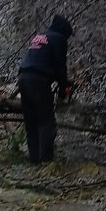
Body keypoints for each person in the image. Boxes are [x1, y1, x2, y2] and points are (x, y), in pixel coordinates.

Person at [17, 13, 73, 163]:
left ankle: (34, 160)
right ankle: (46, 161)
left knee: (31, 122)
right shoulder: (59, 38)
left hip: (23, 78)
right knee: (46, 122)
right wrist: (64, 89)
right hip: (39, 81)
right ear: (64, 32)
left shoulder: (40, 36)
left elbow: (41, 60)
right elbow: (60, 66)